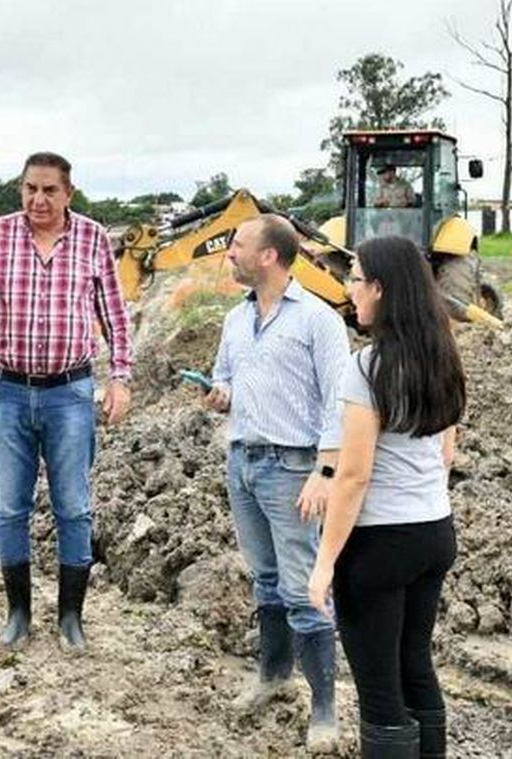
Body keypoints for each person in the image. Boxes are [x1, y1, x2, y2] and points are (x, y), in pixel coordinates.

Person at [0, 151, 132, 651]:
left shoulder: (91, 239)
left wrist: (120, 378)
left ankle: (70, 618)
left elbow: (115, 315)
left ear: (68, 194)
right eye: (30, 189)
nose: (38, 200)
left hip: (70, 393)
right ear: (21, 190)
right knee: (10, 508)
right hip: (8, 393)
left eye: (49, 191)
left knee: (74, 508)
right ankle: (18, 613)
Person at [307, 235, 464, 759]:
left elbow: (352, 476)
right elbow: (446, 453)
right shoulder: (442, 355)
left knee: (379, 690)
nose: (349, 289)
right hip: (434, 533)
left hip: (379, 544)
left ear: (379, 288)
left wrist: (325, 562)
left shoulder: (369, 367)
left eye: (354, 278)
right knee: (415, 664)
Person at [203, 214, 351, 753]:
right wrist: (220, 392)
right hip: (241, 461)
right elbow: (224, 375)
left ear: (269, 256)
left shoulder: (318, 321)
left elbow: (340, 401)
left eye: (239, 245)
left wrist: (325, 472)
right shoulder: (234, 321)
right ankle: (272, 676)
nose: (230, 253)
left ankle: (325, 710)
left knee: (303, 589)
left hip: (292, 468)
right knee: (265, 579)